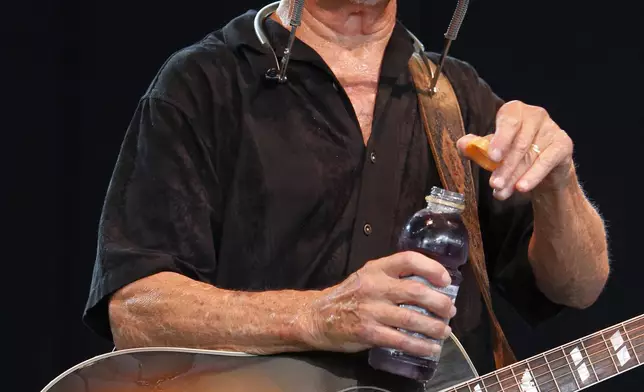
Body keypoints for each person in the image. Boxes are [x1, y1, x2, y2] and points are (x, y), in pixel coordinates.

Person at [82, 0, 610, 380]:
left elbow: (577, 287)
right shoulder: (203, 83)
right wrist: (321, 315)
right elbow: (136, 312)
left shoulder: (455, 97)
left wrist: (558, 182)